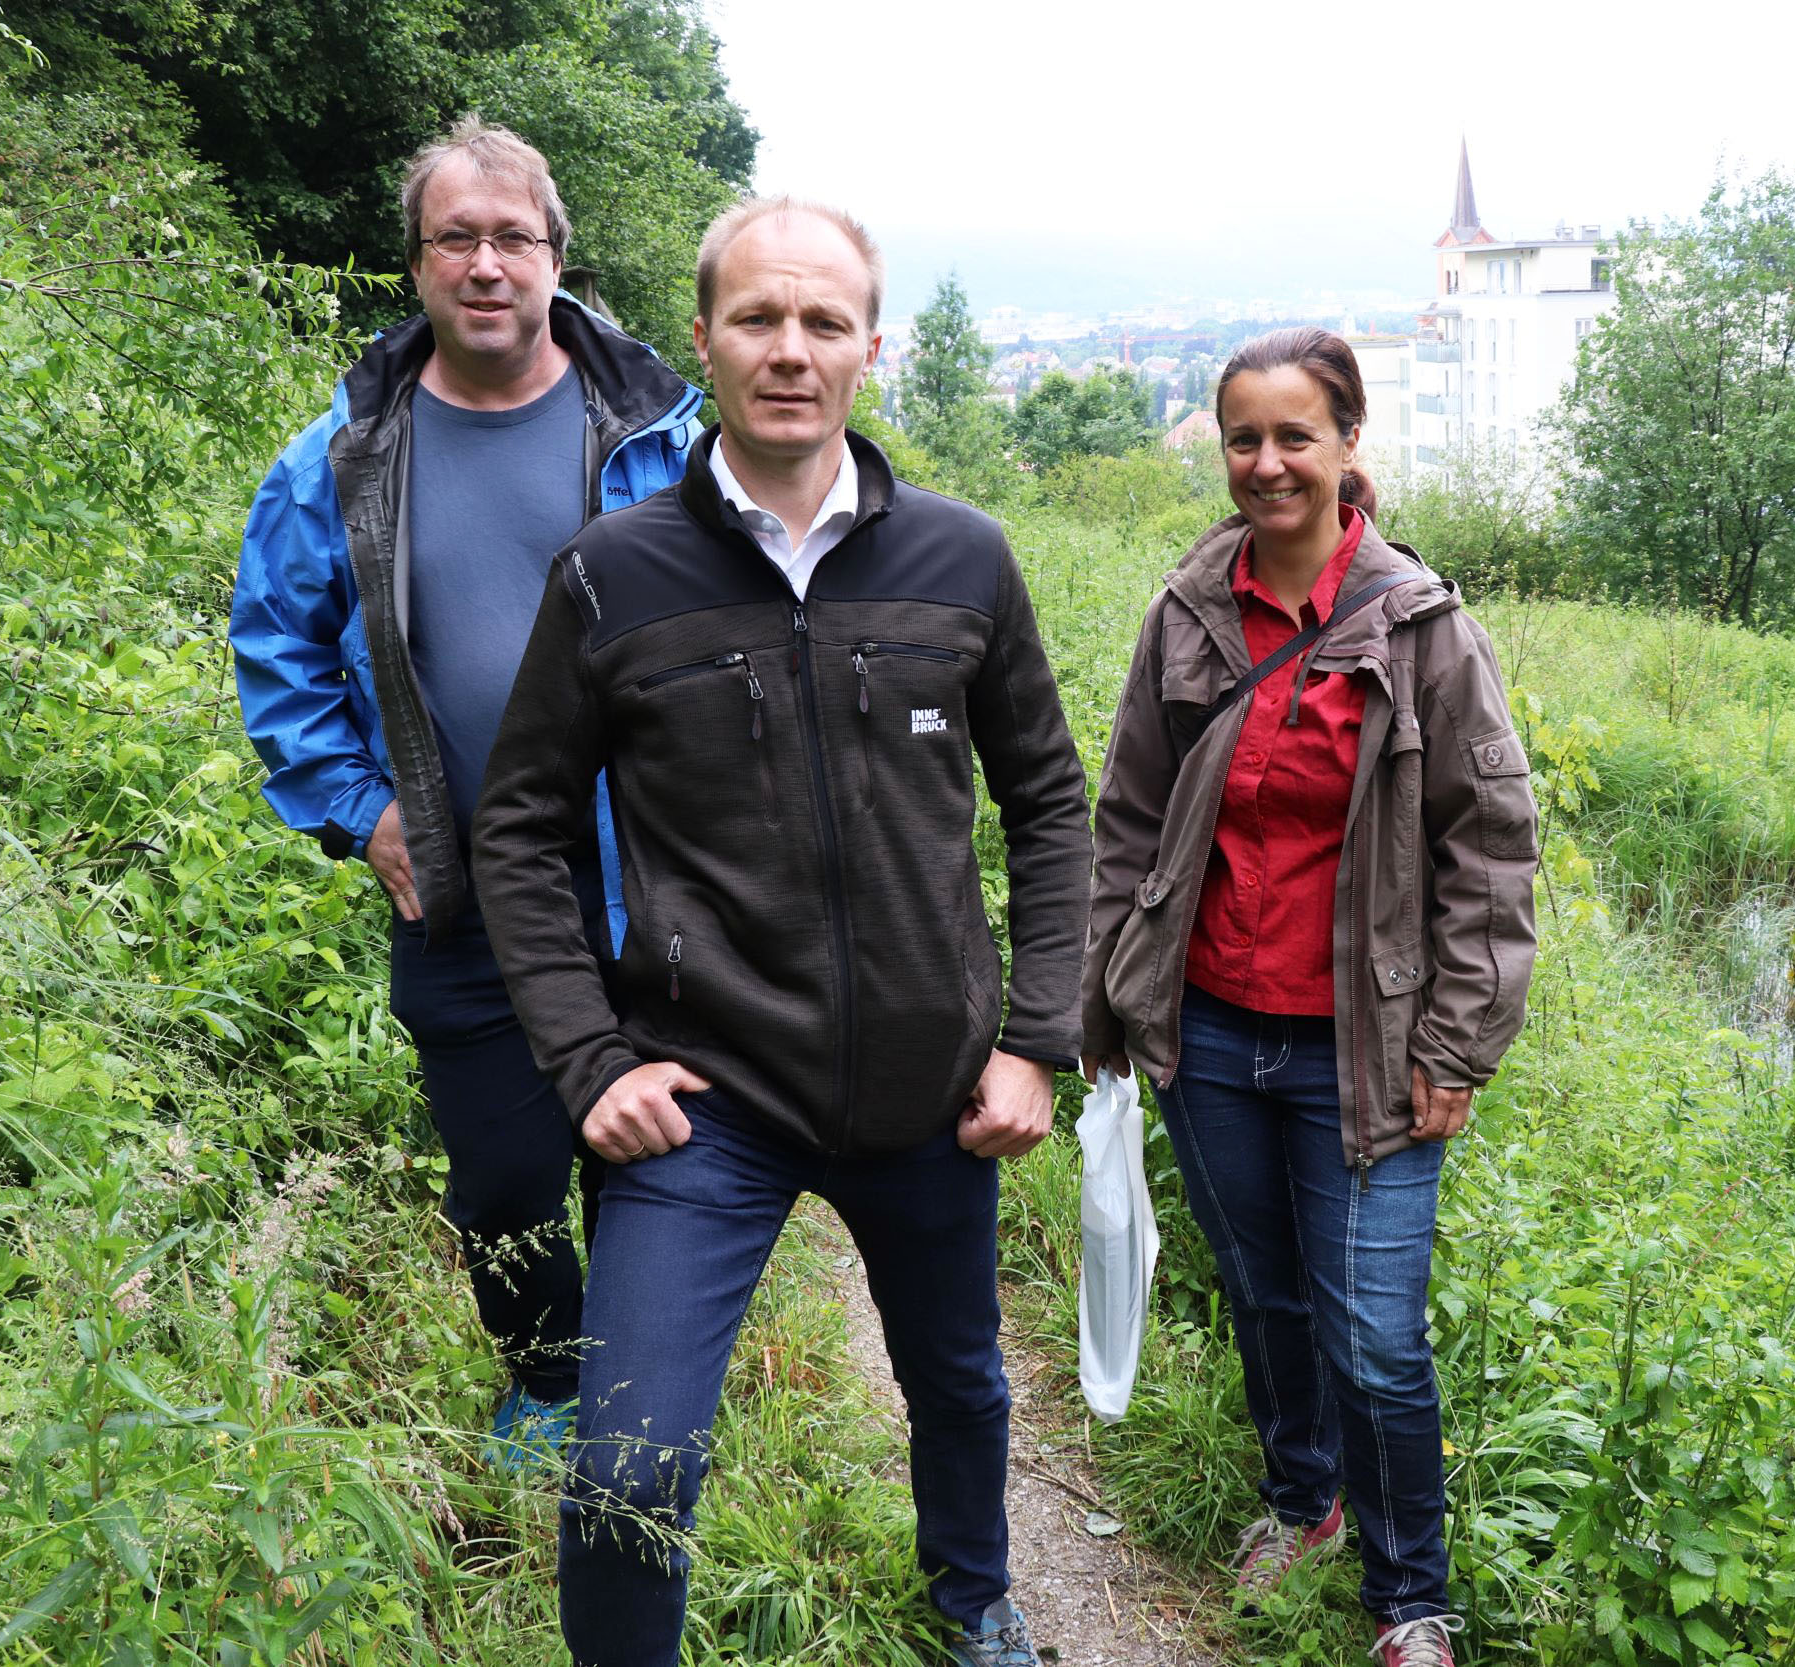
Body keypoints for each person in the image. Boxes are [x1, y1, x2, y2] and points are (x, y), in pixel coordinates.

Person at [470, 195, 1090, 1667]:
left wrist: (1035, 1044)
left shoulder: (964, 560)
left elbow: (1055, 805)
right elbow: (519, 826)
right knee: (629, 1464)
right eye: (758, 318)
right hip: (711, 1104)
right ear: (704, 341)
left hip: (936, 1093)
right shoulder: (614, 575)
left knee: (960, 1384)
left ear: (873, 347)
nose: (791, 351)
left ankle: (974, 1603)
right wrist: (586, 1057)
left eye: (823, 322)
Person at [230, 118, 703, 1470]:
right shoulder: (343, 456)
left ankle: (638, 1397)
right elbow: (275, 643)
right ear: (419, 261)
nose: (486, 263)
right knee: (504, 1182)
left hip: (652, 880)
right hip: (465, 886)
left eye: (513, 237)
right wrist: (361, 809)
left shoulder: (662, 438)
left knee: (652, 1162)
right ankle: (544, 1377)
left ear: (557, 256)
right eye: (458, 237)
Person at [1078, 327, 1538, 1667]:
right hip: (1211, 1034)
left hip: (1374, 1048)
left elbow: (1491, 849)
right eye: (1243, 438)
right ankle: (1305, 1499)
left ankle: (1412, 1601)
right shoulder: (1190, 613)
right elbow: (1130, 819)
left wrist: (1459, 1042)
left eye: (1295, 436)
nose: (1267, 463)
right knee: (1265, 1295)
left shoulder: (1425, 630)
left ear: (1349, 444)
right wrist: (1107, 1006)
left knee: (1378, 1338)